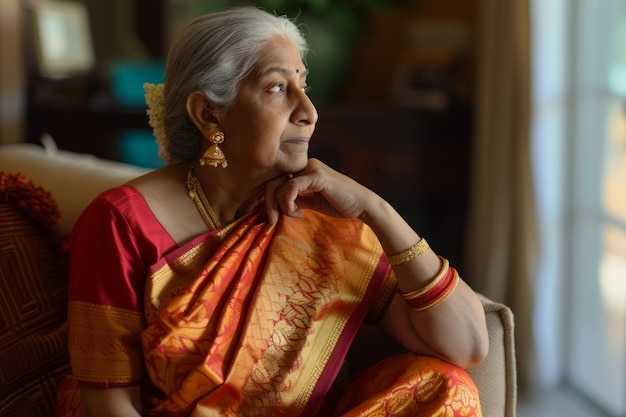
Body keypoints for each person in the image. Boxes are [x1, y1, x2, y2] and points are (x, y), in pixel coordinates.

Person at [55, 6, 489, 417]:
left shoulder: (327, 224)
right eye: (278, 87)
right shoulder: (123, 223)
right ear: (209, 114)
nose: (309, 112)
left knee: (447, 387)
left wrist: (377, 210)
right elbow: (109, 405)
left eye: (305, 86)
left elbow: (467, 346)